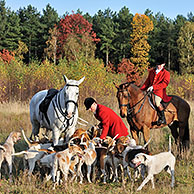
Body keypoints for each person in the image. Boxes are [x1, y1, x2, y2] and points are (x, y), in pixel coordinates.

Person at [140, 57, 172, 125]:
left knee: (157, 102)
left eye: (160, 65)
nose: (158, 66)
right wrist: (140, 90)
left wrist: (154, 87)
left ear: (163, 64)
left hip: (159, 92)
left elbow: (164, 84)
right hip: (149, 91)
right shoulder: (151, 71)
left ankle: (162, 118)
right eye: (157, 64)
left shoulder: (166, 73)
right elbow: (147, 82)